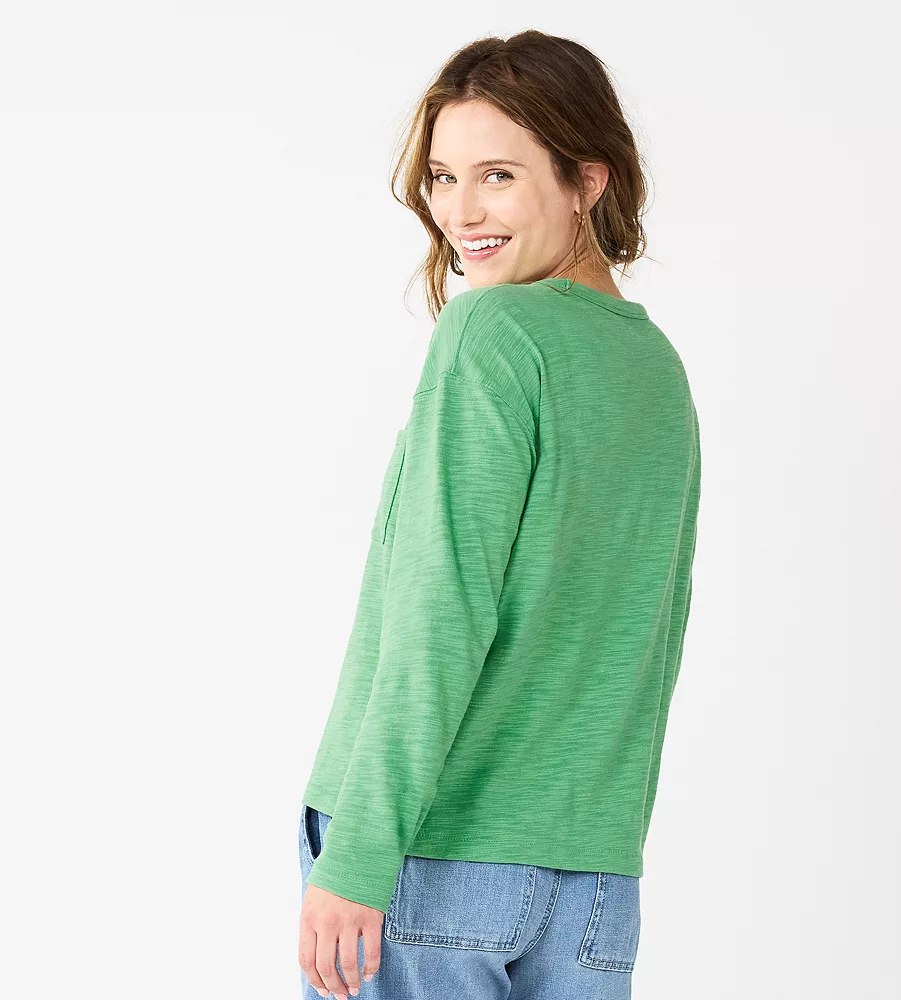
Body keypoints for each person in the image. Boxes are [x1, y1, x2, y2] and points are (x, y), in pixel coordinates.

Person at [297, 28, 701, 1000]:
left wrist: (359, 855)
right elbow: (649, 636)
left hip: (429, 853)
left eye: (498, 176)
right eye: (443, 176)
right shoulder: (653, 367)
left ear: (587, 180)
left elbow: (440, 612)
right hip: (592, 881)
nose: (460, 212)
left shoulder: (493, 331)